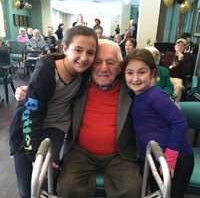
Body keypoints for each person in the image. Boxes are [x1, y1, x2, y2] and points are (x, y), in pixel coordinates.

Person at [15, 39, 141, 198]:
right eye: (98, 62)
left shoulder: (131, 87)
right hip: (81, 152)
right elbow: (48, 90)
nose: (104, 68)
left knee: (132, 189)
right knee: (66, 187)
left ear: (120, 67)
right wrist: (27, 90)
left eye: (111, 62)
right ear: (90, 65)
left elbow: (150, 92)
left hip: (119, 155)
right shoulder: (80, 83)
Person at [9, 25, 98, 198]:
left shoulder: (85, 74)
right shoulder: (47, 70)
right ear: (65, 48)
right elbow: (30, 113)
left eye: (90, 53)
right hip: (26, 128)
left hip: (55, 127)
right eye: (78, 50)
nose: (84, 58)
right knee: (27, 190)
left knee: (48, 179)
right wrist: (34, 152)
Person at [124, 48, 194, 198]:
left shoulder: (155, 96)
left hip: (175, 159)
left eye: (141, 72)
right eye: (130, 73)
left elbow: (179, 122)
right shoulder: (136, 95)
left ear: (153, 74)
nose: (135, 78)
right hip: (153, 156)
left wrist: (170, 159)